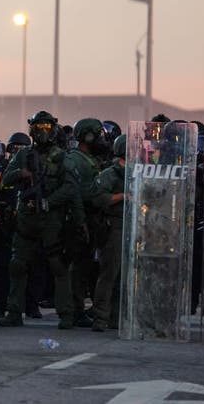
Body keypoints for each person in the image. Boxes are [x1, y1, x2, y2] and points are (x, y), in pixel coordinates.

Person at [0, 111, 77, 329]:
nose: (43, 132)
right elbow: (5, 180)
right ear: (32, 130)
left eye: (47, 128)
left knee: (58, 265)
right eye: (39, 127)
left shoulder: (62, 157)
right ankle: (14, 311)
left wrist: (50, 202)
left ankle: (66, 314)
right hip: (27, 217)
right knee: (17, 264)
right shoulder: (23, 155)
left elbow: (70, 188)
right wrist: (21, 174)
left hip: (51, 218)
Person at [65, 118, 110, 328]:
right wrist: (81, 221)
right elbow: (76, 193)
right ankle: (75, 309)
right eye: (97, 134)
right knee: (78, 266)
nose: (101, 139)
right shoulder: (75, 160)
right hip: (80, 219)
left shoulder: (90, 159)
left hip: (92, 218)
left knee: (87, 266)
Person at [0, 132, 31, 319]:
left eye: (21, 148)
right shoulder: (1, 171)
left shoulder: (32, 172)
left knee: (26, 267)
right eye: (14, 148)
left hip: (26, 225)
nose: (17, 152)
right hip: (3, 225)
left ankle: (27, 304)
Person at [91, 134, 126, 332]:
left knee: (123, 276)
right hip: (114, 227)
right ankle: (101, 317)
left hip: (128, 227)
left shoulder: (133, 173)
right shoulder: (110, 174)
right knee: (109, 274)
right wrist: (124, 196)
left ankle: (116, 317)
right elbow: (98, 198)